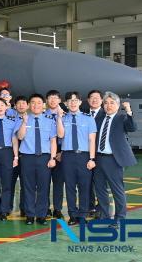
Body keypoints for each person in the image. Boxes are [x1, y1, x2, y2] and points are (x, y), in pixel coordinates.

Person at [15, 94, 61, 225]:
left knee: (43, 187)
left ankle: (41, 215)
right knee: (28, 187)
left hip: (44, 158)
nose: (36, 105)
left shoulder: (49, 120)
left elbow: (53, 141)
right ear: (29, 105)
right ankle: (29, 215)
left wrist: (52, 158)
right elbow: (20, 136)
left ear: (43, 105)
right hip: (27, 158)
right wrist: (24, 122)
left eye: (39, 103)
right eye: (33, 103)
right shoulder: (23, 119)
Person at [94, 92, 136, 228]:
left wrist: (129, 111)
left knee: (117, 190)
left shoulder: (122, 117)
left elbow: (132, 127)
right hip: (99, 158)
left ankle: (120, 218)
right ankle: (104, 216)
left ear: (118, 105)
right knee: (100, 189)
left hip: (114, 160)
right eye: (106, 103)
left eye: (112, 103)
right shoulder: (99, 117)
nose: (108, 105)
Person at [59, 92, 96, 225]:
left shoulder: (88, 119)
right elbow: (59, 136)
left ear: (80, 102)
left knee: (84, 187)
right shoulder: (62, 119)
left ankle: (83, 215)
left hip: (84, 156)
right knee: (69, 187)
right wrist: (58, 118)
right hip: (68, 155)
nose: (73, 103)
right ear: (66, 103)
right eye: (70, 100)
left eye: (75, 100)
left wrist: (92, 158)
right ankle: (72, 215)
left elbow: (92, 140)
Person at [44, 90, 65, 219]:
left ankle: (57, 209)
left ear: (59, 100)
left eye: (55, 98)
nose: (52, 100)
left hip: (61, 154)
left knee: (58, 183)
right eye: (50, 98)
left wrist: (62, 152)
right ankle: (45, 207)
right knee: (44, 182)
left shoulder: (66, 116)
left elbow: (67, 136)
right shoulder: (41, 115)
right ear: (47, 100)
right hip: (45, 153)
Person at [86, 89, 104, 215]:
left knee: (100, 184)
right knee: (86, 182)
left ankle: (101, 208)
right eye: (92, 97)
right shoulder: (82, 114)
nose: (94, 99)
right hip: (85, 154)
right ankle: (89, 206)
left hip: (101, 155)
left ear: (101, 100)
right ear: (88, 100)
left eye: (97, 97)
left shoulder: (106, 115)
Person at [10, 95, 28, 216]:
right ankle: (7, 207)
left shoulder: (32, 119)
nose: (21, 105)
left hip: (27, 157)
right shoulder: (10, 119)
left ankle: (24, 208)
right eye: (19, 103)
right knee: (9, 182)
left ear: (27, 105)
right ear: (15, 106)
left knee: (26, 184)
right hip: (11, 156)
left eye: (23, 103)